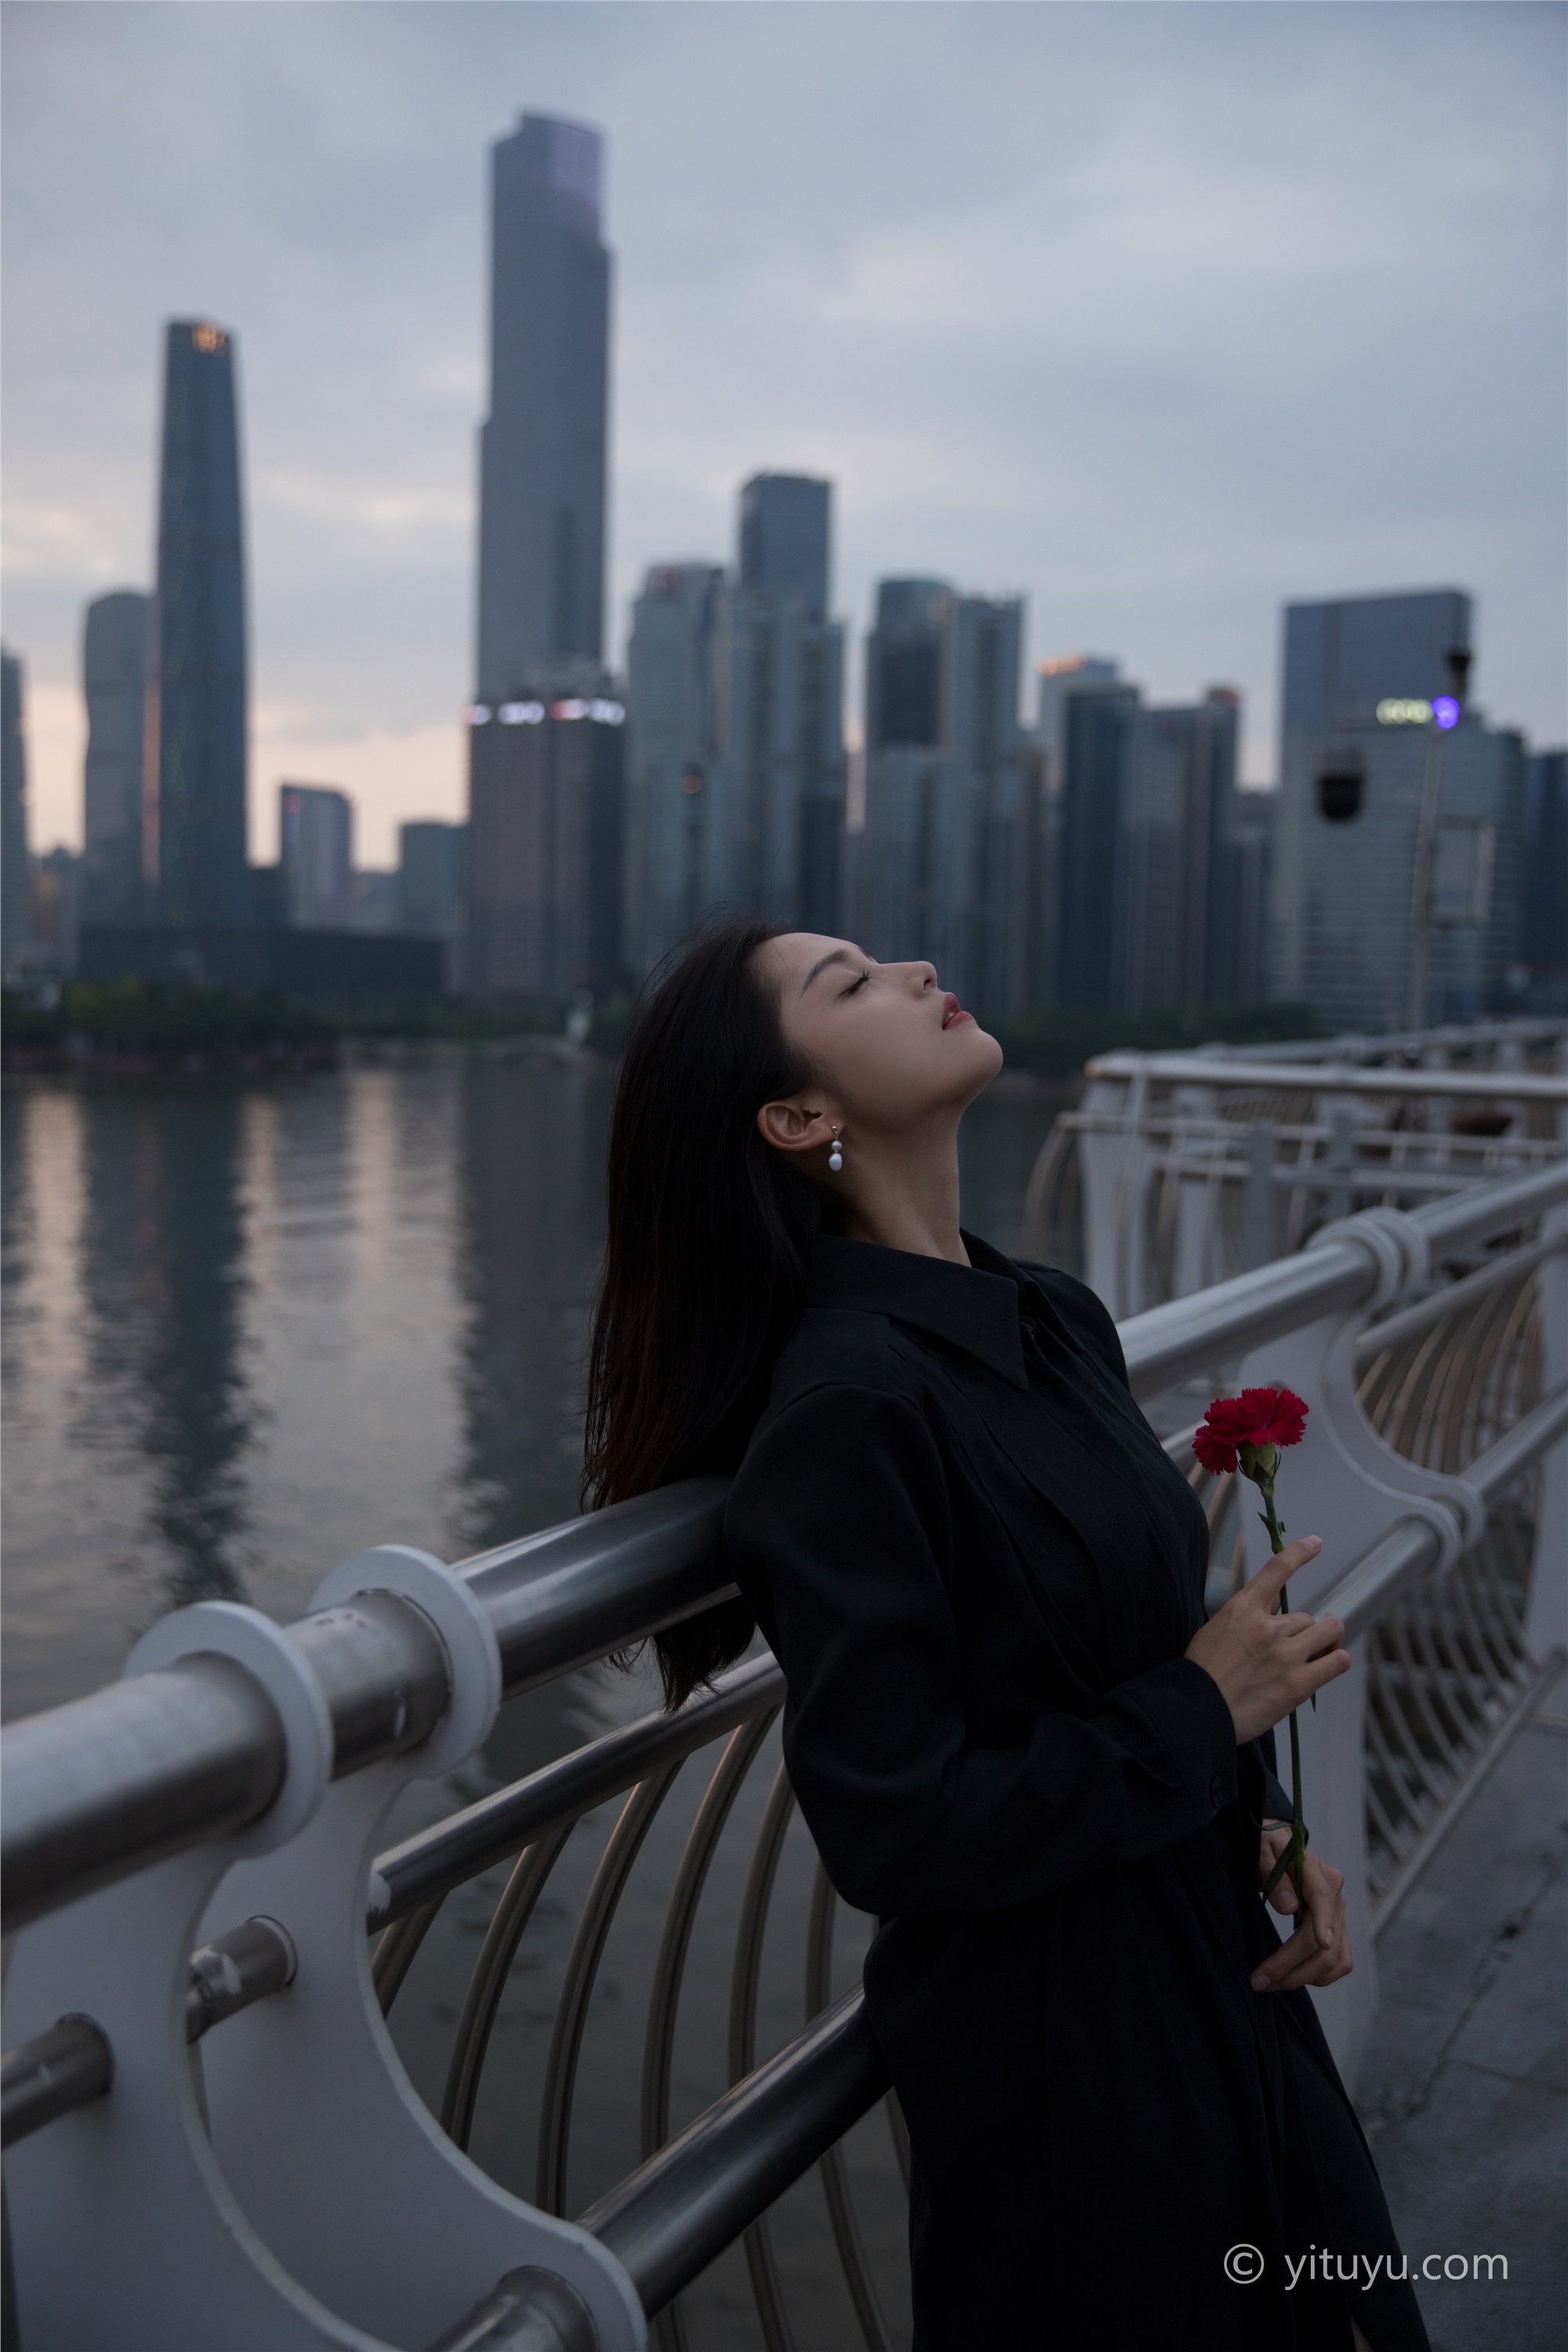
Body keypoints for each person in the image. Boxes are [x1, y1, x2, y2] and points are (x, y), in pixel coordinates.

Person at [584, 917, 1428, 2352]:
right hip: (1068, 2069)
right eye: (849, 983)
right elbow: (894, 1826)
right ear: (798, 1118)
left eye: (884, 957)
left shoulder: (1051, 1316)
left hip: (1219, 1970)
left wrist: (1261, 1824)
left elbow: (1147, 1655)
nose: (912, 971)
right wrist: (1198, 1718)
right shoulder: (847, 1411)